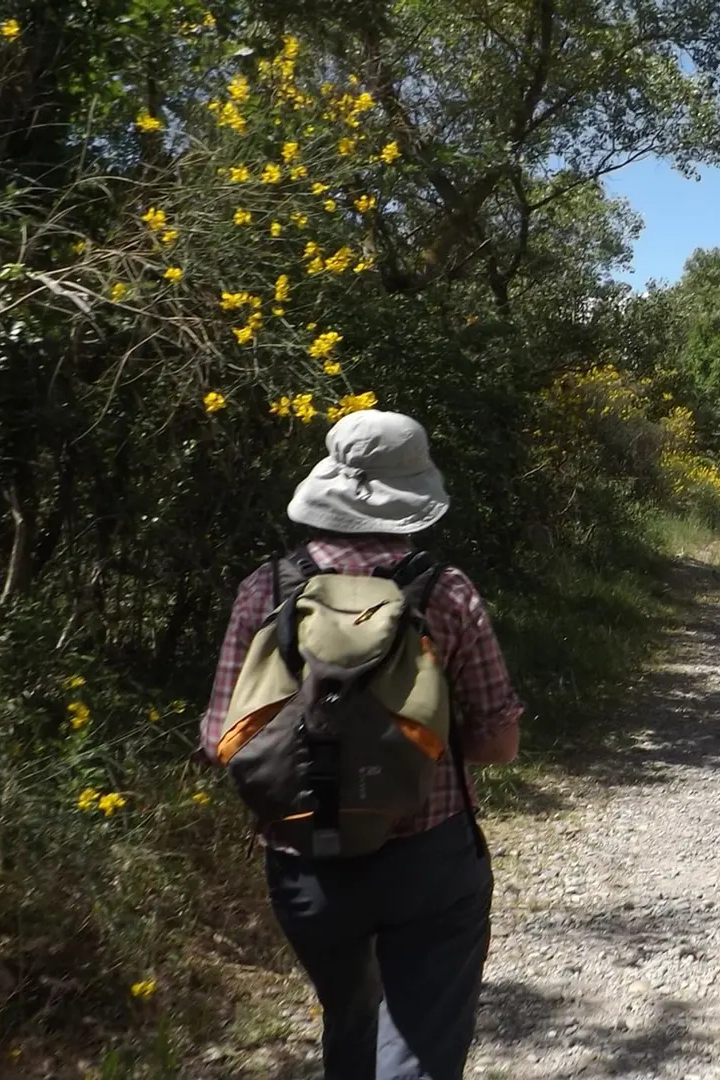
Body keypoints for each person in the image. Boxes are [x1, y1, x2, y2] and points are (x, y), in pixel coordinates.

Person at [201, 409, 523, 1080]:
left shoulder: (266, 588)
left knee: (350, 1020)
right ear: (414, 493)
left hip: (305, 864)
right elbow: (497, 744)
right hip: (428, 862)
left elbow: (219, 739)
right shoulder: (448, 593)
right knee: (418, 1045)